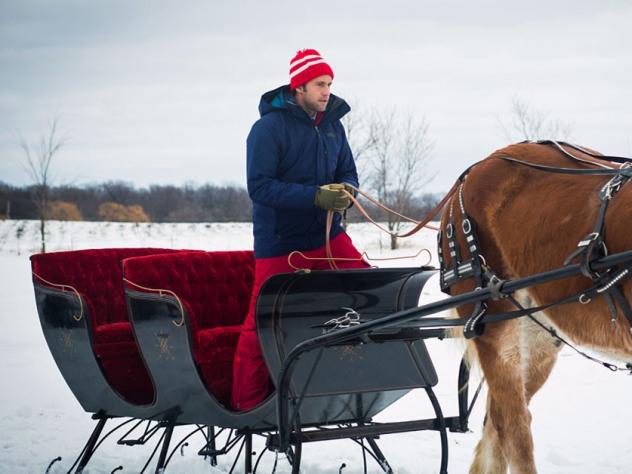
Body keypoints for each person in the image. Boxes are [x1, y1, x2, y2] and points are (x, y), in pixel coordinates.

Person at [231, 48, 370, 411]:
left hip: (327, 238)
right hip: (280, 243)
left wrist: (347, 190)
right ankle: (244, 407)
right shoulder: (266, 129)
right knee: (261, 325)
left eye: (329, 84)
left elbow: (348, 171)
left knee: (372, 292)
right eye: (320, 84)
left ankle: (345, 386)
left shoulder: (333, 126)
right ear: (299, 87)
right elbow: (259, 187)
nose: (327, 91)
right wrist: (316, 197)